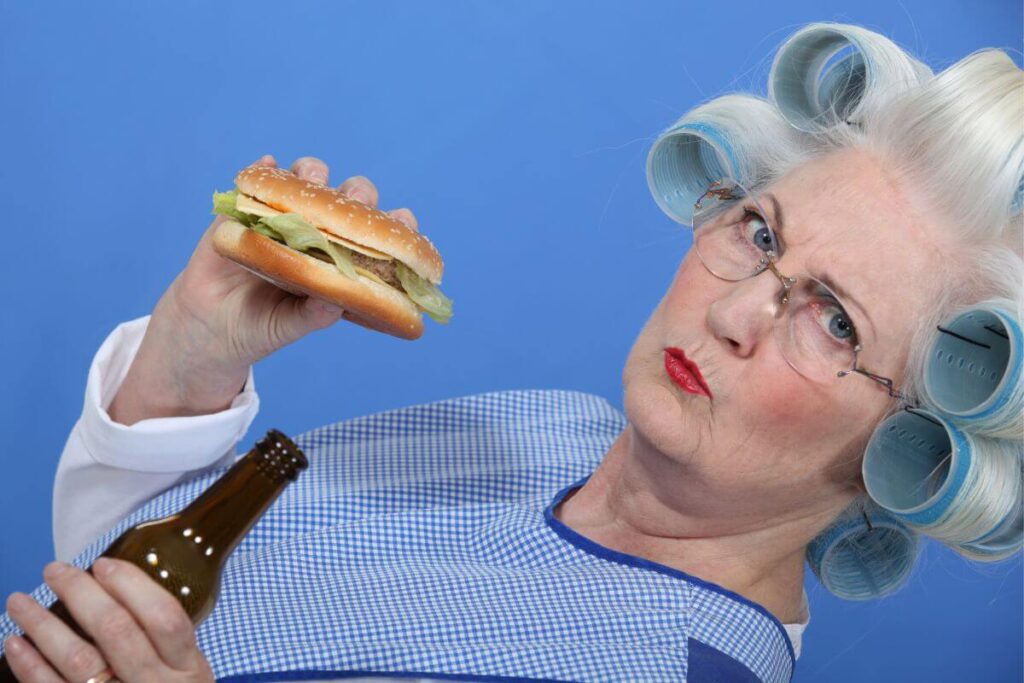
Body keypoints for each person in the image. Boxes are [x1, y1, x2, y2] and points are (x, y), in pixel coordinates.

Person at [2, 20, 1022, 683]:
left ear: (916, 446)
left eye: (834, 320)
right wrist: (189, 356)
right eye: (759, 231)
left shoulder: (677, 667)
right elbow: (128, 589)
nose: (736, 313)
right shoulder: (547, 426)